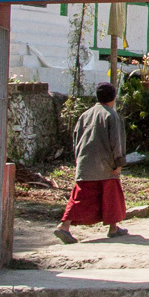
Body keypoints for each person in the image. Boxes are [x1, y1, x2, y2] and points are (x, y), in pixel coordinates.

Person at [55, 81, 127, 242]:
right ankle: (113, 228)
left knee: (80, 197)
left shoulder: (84, 115)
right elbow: (116, 142)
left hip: (85, 163)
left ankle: (65, 226)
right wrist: (119, 162)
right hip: (106, 165)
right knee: (111, 196)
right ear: (114, 97)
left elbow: (75, 140)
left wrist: (79, 161)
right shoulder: (111, 115)